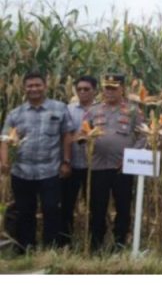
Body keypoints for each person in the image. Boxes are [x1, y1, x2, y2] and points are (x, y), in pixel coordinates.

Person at [1, 71, 73, 254]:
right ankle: (27, 248)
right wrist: (4, 161)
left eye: (37, 85)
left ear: (45, 87)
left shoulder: (59, 108)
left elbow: (67, 136)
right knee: (25, 211)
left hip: (50, 171)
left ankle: (51, 249)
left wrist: (66, 161)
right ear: (24, 88)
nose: (34, 89)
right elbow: (5, 139)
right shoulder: (15, 113)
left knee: (51, 210)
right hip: (21, 171)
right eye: (30, 86)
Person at [83, 73, 146, 252]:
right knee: (98, 207)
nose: (109, 92)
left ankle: (119, 244)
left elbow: (143, 135)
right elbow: (82, 135)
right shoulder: (93, 111)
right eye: (106, 88)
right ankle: (95, 244)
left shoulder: (134, 110)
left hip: (123, 168)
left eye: (113, 88)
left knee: (123, 207)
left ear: (122, 89)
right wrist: (88, 152)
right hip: (98, 167)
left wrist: (130, 158)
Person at [59, 75, 97, 247]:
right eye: (79, 89)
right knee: (66, 206)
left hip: (95, 167)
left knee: (96, 207)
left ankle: (93, 244)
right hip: (72, 165)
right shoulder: (68, 109)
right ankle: (65, 242)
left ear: (94, 90)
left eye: (86, 89)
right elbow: (64, 135)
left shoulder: (101, 110)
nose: (82, 92)